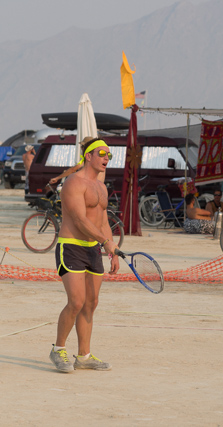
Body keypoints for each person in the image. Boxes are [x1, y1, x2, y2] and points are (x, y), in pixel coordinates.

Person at [49, 137, 119, 373]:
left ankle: (84, 356)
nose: (106, 158)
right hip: (71, 246)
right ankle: (58, 350)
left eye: (109, 154)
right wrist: (104, 242)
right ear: (88, 156)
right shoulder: (73, 183)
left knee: (91, 303)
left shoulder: (102, 186)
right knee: (76, 301)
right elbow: (79, 220)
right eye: (101, 153)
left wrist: (112, 249)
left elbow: (103, 220)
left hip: (94, 249)